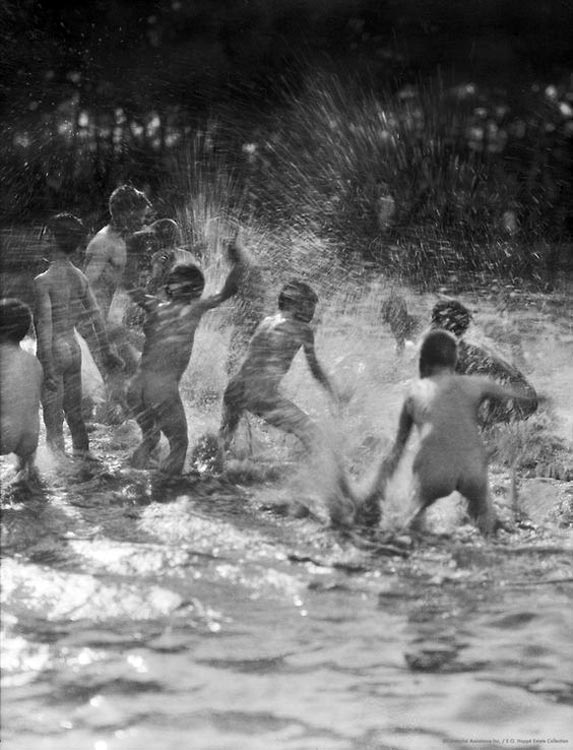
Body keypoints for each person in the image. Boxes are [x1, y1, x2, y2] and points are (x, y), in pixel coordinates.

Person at [360, 330, 541, 533]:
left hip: (434, 470)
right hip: (472, 470)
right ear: (455, 362)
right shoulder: (475, 383)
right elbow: (522, 397)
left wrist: (375, 493)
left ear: (422, 363)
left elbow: (398, 450)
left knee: (411, 519)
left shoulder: (415, 391)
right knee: (485, 517)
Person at [125, 244, 245, 475]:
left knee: (150, 440)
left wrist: (132, 249)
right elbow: (227, 292)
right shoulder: (194, 309)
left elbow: (129, 287)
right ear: (197, 290)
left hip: (136, 386)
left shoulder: (154, 305)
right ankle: (165, 497)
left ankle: (131, 483)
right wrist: (238, 264)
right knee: (179, 444)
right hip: (162, 389)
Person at [34, 213, 123, 458]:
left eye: (45, 234)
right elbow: (96, 316)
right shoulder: (79, 277)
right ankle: (83, 462)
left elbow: (44, 325)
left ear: (51, 239)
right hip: (73, 349)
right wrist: (105, 350)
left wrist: (47, 365)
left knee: (53, 420)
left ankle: (61, 471)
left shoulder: (43, 281)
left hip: (54, 350)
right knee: (75, 416)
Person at [219, 278, 338, 457]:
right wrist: (334, 394)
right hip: (259, 395)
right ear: (294, 304)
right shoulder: (303, 329)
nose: (313, 312)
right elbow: (315, 371)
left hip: (234, 388)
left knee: (224, 439)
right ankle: (326, 476)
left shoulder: (267, 321)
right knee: (312, 433)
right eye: (309, 304)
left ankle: (208, 469)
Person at [430, 299, 538, 425]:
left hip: (518, 399)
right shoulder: (469, 348)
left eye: (434, 321)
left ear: (440, 325)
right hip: (527, 395)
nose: (431, 326)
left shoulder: (453, 354)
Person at [84, 184, 151, 320]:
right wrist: (99, 332)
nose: (142, 222)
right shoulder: (104, 242)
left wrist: (157, 306)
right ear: (127, 214)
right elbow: (85, 287)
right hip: (90, 324)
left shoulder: (118, 240)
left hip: (98, 320)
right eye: (140, 217)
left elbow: (126, 284)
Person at [0, 298, 43, 482]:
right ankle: (28, 474)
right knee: (26, 476)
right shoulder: (33, 361)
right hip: (30, 436)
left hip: (5, 433)